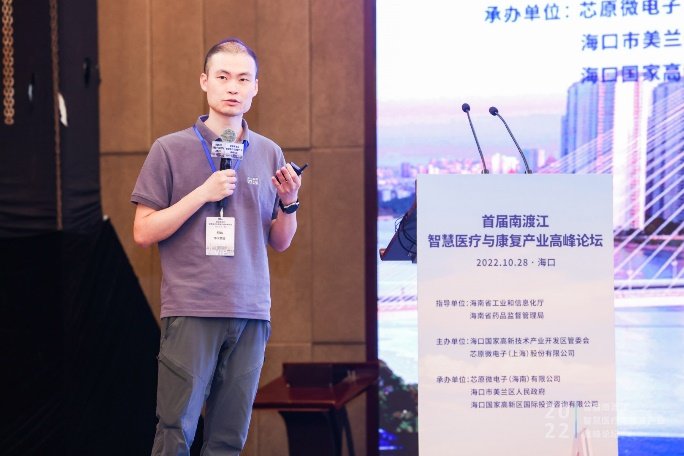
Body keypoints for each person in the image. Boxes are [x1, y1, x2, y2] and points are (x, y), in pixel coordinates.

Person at [131, 38, 301, 455]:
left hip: (251, 311)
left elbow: (280, 241)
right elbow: (143, 231)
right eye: (223, 77)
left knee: (229, 438)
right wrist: (203, 193)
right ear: (204, 81)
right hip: (193, 307)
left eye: (243, 79)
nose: (233, 87)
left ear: (256, 87)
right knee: (175, 430)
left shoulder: (269, 152)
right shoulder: (169, 149)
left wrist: (290, 202)